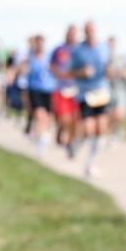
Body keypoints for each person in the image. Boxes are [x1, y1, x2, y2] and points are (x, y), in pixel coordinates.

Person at [70, 21, 111, 177]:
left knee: (101, 129)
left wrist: (112, 71)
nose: (91, 33)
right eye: (88, 31)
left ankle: (90, 164)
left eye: (93, 30)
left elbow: (109, 67)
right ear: (84, 33)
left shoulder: (104, 48)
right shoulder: (78, 51)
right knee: (88, 129)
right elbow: (71, 72)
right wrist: (82, 72)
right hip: (85, 93)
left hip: (102, 92)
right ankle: (76, 146)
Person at [23, 34, 57, 156]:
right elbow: (21, 69)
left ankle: (43, 136)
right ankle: (41, 141)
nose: (40, 45)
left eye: (42, 43)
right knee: (39, 114)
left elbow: (57, 71)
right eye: (38, 43)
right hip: (34, 89)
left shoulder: (49, 58)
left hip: (48, 89)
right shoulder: (30, 57)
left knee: (47, 116)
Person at [50, 25, 81, 156]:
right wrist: (60, 74)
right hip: (62, 88)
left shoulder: (81, 50)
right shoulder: (59, 49)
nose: (72, 36)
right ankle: (60, 129)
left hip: (77, 89)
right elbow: (52, 65)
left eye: (74, 34)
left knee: (75, 119)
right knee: (64, 118)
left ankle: (71, 143)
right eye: (70, 33)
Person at [106, 35, 126, 146]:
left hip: (119, 90)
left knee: (119, 114)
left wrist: (120, 73)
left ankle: (116, 131)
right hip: (106, 91)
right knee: (108, 115)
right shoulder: (103, 58)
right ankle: (110, 134)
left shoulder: (122, 58)